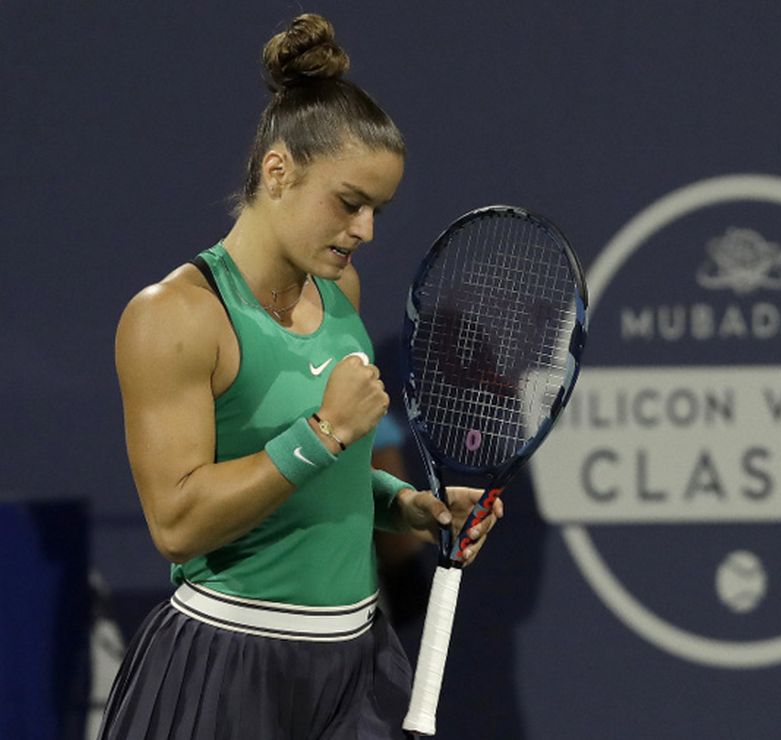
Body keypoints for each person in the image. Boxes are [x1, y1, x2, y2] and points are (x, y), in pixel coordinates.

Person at [101, 13, 501, 739]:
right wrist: (323, 432)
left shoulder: (340, 291)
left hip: (355, 668)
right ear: (277, 171)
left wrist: (406, 505)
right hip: (226, 664)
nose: (365, 230)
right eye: (349, 202)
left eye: (377, 209)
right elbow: (177, 523)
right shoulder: (173, 316)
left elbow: (321, 480)